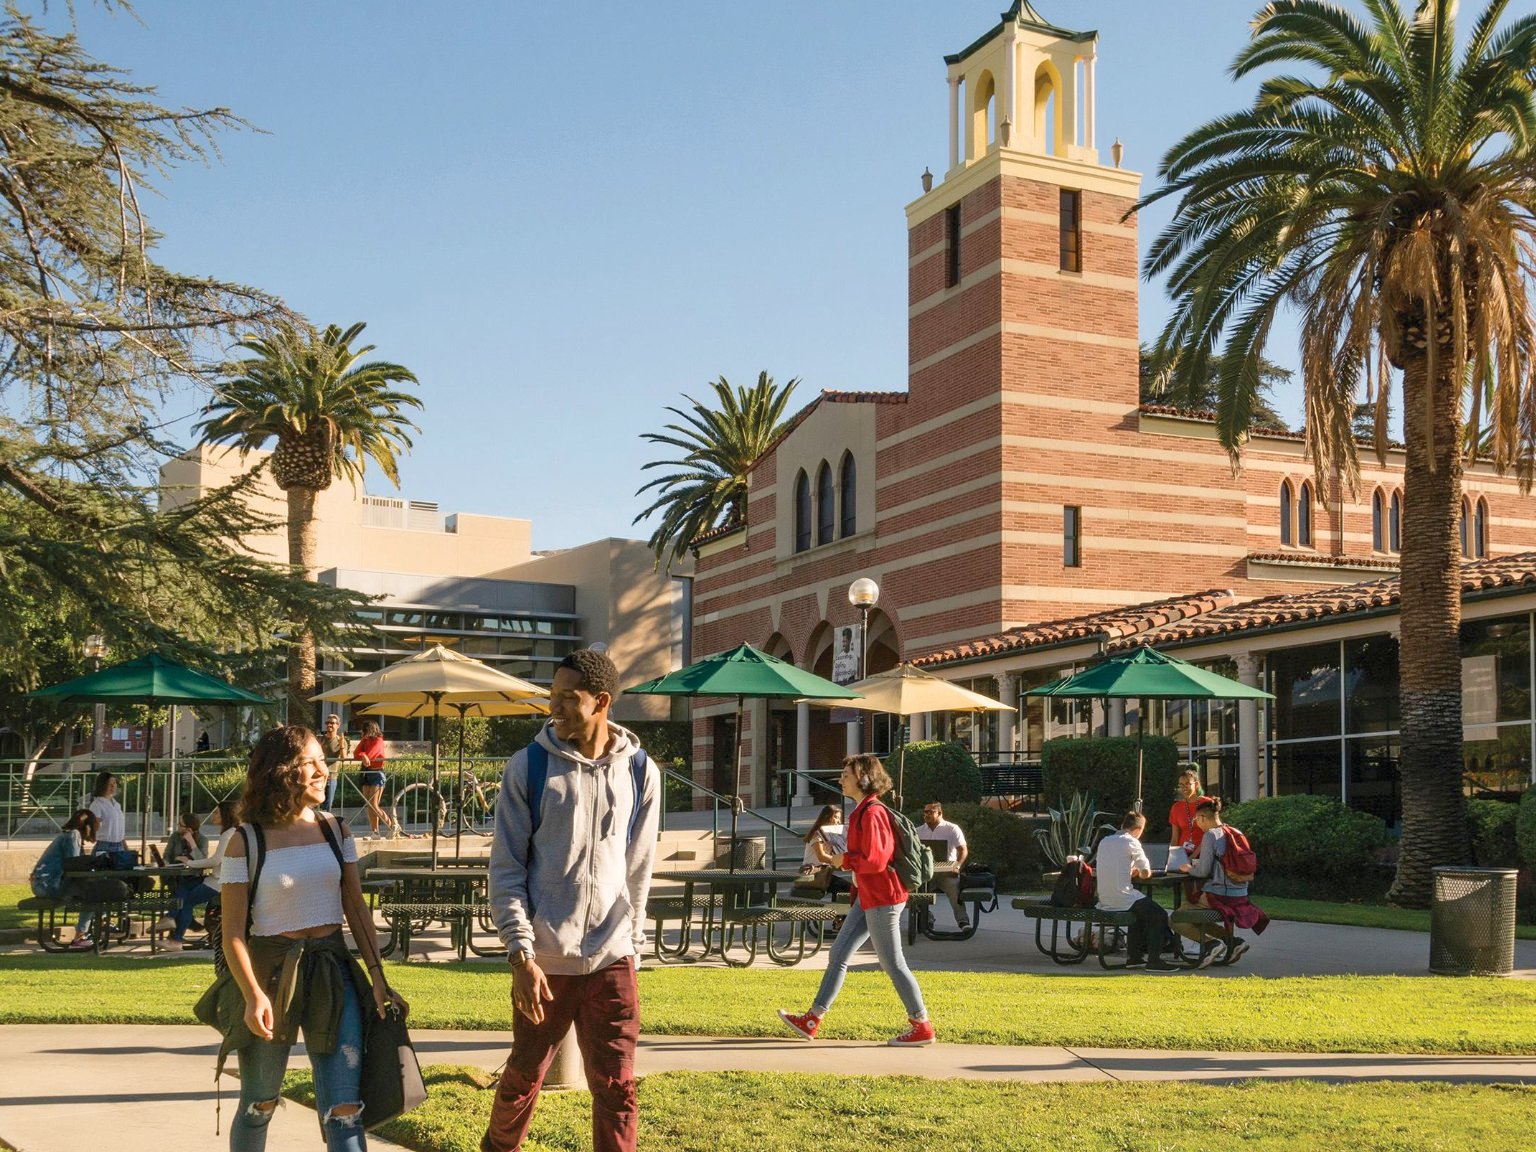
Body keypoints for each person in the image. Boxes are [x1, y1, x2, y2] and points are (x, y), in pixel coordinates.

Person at [482, 649, 659, 1152]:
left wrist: (632, 947)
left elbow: (639, 867)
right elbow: (507, 868)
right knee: (522, 1078)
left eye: (567, 698)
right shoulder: (529, 767)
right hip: (544, 960)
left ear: (601, 702)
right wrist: (521, 954)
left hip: (613, 958)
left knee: (618, 1088)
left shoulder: (640, 771)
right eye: (551, 696)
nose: (554, 708)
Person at [220, 725, 406, 1151]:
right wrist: (252, 995)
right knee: (259, 1104)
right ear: (283, 772)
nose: (325, 771)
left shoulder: (336, 830)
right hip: (270, 979)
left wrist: (378, 977)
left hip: (332, 972)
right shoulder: (244, 841)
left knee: (345, 1110)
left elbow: (356, 907)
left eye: (324, 761)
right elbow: (232, 933)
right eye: (312, 763)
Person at [777, 754, 935, 1047]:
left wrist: (844, 860)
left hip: (883, 897)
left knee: (892, 963)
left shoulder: (873, 813)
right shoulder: (863, 811)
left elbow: (875, 860)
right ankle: (812, 1020)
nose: (841, 779)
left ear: (863, 778)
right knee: (838, 954)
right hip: (869, 896)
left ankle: (921, 1024)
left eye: (846, 775)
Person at [1178, 797, 1269, 966]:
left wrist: (1188, 868)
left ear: (1203, 818)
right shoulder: (1236, 832)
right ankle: (1234, 942)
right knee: (1195, 916)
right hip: (1241, 895)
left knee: (1178, 917)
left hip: (1220, 895)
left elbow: (1203, 871)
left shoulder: (1210, 835)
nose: (1197, 823)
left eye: (1196, 820)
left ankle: (1211, 944)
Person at [1095, 810, 1177, 971]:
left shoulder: (1105, 841)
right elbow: (1146, 873)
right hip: (1123, 897)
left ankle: (1134, 957)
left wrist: (1129, 870)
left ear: (1123, 825)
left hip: (1104, 899)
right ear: (1139, 829)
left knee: (1139, 913)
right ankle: (1154, 960)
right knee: (1159, 914)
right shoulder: (1131, 842)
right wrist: (1140, 871)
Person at [181, 800, 240, 953]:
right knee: (183, 888)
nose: (214, 815)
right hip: (215, 878)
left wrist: (189, 862)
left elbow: (215, 860)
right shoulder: (233, 833)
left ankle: (176, 936)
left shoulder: (226, 835)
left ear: (225, 815)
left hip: (217, 881)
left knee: (185, 901)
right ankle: (181, 922)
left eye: (216, 812)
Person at [920, 801, 970, 930]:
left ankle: (963, 921)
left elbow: (963, 850)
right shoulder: (918, 831)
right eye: (925, 812)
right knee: (914, 894)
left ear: (940, 813)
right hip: (926, 873)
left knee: (954, 890)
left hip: (947, 872)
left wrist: (957, 866)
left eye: (930, 812)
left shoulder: (952, 829)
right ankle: (927, 919)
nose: (926, 814)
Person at [352, 721, 397, 837]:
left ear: (371, 729)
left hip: (377, 774)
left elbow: (371, 756)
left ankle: (392, 826)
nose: (363, 732)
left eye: (365, 730)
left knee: (374, 804)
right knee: (369, 805)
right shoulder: (365, 740)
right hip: (366, 773)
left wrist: (364, 755)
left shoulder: (379, 740)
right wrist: (363, 755)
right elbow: (356, 753)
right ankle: (375, 831)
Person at [797, 804, 849, 897]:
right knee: (846, 888)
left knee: (846, 888)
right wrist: (843, 861)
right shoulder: (817, 834)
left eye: (839, 818)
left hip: (824, 872)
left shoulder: (832, 836)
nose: (838, 821)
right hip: (814, 873)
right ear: (827, 817)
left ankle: (836, 905)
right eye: (836, 817)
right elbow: (822, 857)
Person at [1166, 769, 1206, 872]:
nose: (1184, 788)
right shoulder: (1176, 807)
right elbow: (1175, 837)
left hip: (1204, 853)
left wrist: (1192, 857)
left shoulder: (1206, 803)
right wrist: (1170, 858)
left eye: (1187, 784)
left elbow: (1211, 834)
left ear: (1196, 784)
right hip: (1182, 855)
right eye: (1181, 785)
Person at [88, 771, 127, 856]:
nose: (113, 786)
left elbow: (120, 829)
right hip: (105, 845)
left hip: (119, 845)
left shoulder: (117, 805)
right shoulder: (97, 804)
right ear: (103, 786)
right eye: (110, 784)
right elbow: (94, 827)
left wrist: (125, 848)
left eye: (114, 783)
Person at [320, 714, 351, 813]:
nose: (329, 725)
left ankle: (325, 821)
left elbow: (343, 759)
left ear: (338, 725)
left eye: (332, 723)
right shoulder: (320, 739)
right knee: (316, 803)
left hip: (331, 777)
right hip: (319, 776)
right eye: (327, 723)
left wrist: (341, 745)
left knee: (328, 805)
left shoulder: (341, 741)